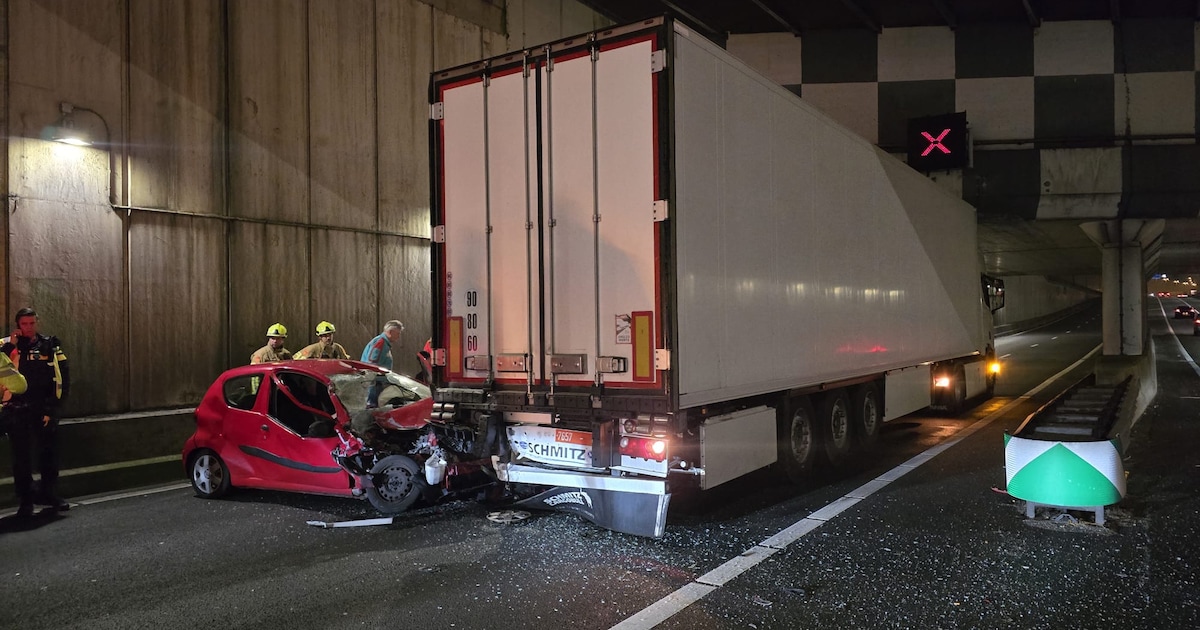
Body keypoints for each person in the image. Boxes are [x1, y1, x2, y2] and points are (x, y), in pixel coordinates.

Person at [0, 308, 70, 517]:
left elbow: (62, 377)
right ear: (18, 325)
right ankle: (25, 500)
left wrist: (52, 408)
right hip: (17, 408)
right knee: (21, 458)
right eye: (24, 324)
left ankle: (49, 494)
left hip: (43, 407)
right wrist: (12, 345)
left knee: (49, 454)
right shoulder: (7, 345)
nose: (29, 328)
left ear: (37, 323)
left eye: (32, 323)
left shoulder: (50, 345)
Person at [361, 320, 403, 407]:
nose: (399, 337)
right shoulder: (380, 343)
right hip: (374, 384)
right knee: (372, 407)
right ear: (390, 332)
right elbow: (371, 365)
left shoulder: (384, 343)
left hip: (376, 382)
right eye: (397, 333)